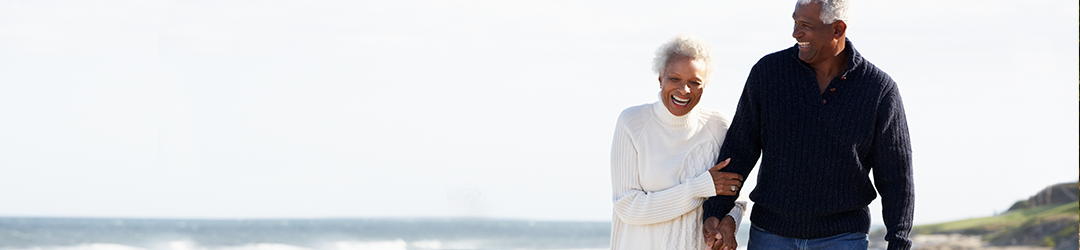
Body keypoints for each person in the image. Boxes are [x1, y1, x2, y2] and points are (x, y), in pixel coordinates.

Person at [701, 0, 915, 249]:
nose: (795, 33)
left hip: (843, 239)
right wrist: (716, 210)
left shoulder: (879, 90)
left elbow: (897, 177)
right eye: (795, 22)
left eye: (805, 25)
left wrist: (899, 241)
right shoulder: (768, 74)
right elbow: (739, 151)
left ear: (837, 29)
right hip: (770, 235)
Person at [610, 35, 747, 250]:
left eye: (695, 82)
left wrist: (729, 223)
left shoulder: (718, 126)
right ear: (660, 77)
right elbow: (628, 208)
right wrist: (700, 187)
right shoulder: (632, 123)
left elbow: (736, 196)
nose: (684, 90)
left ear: (705, 85)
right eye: (674, 79)